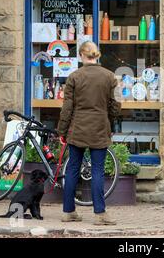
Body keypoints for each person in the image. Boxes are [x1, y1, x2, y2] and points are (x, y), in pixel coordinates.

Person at [57, 41, 121, 224]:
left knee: (72, 169)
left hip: (77, 128)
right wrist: (113, 119)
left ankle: (68, 211)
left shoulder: (74, 77)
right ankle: (100, 214)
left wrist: (62, 131)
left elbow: (67, 108)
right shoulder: (109, 76)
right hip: (99, 127)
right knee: (98, 170)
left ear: (81, 55)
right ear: (97, 55)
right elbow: (112, 106)